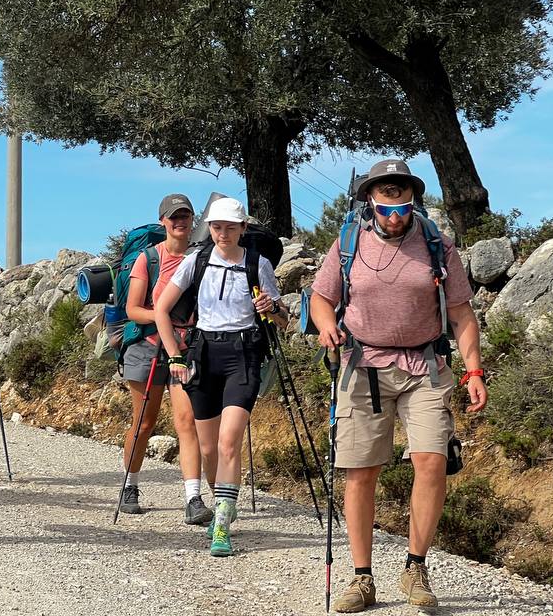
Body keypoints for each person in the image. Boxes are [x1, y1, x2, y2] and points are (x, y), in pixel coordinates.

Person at [306, 159, 486, 612]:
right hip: (362, 365)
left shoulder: (437, 244)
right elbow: (321, 299)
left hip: (425, 366)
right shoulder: (348, 241)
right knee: (361, 471)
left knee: (432, 460)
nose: (394, 212)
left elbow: (462, 314)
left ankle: (415, 568)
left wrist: (474, 371)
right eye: (386, 201)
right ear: (370, 198)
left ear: (412, 199)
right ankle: (362, 578)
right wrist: (326, 326)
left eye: (401, 200)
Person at [154, 197, 286, 556]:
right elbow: (161, 309)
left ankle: (223, 523)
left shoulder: (258, 264)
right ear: (209, 228)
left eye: (230, 227)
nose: (222, 233)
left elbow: (282, 320)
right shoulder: (196, 261)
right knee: (209, 448)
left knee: (229, 441)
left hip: (244, 356)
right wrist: (174, 356)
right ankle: (223, 501)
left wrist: (272, 308)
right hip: (204, 355)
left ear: (243, 229)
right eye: (216, 227)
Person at [116, 193, 213, 525]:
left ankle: (193, 498)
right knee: (144, 422)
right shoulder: (149, 259)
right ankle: (130, 485)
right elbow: (132, 309)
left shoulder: (201, 257)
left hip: (186, 349)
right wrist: (164, 318)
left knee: (187, 421)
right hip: (147, 347)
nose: (180, 221)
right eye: (174, 217)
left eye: (185, 215)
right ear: (163, 222)